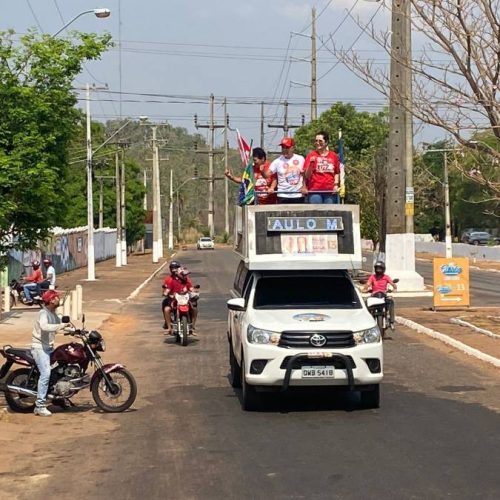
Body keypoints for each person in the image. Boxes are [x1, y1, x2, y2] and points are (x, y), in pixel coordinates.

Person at [31, 290, 70, 416]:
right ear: (51, 300)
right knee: (46, 373)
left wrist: (76, 331)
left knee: (60, 369)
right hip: (40, 348)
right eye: (57, 297)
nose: (59, 299)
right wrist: (60, 327)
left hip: (49, 347)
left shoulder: (53, 314)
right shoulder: (43, 313)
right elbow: (44, 327)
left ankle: (57, 399)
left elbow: (61, 325)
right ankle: (40, 405)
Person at [265, 137, 306, 204]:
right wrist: (262, 170)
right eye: (283, 147)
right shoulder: (277, 161)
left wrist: (304, 186)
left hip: (298, 195)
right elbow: (267, 175)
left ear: (293, 148)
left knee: (298, 214)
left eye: (287, 147)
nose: (284, 149)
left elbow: (305, 175)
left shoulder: (301, 159)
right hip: (282, 195)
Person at [304, 131, 341, 204]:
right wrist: (311, 164)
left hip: (330, 191)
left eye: (320, 141)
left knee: (328, 214)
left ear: (326, 142)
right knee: (317, 213)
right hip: (315, 191)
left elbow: (337, 172)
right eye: (316, 141)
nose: (317, 143)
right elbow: (307, 176)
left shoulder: (333, 155)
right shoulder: (311, 155)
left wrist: (336, 185)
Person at [162, 261, 195, 335]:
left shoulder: (186, 279)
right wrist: (166, 293)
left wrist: (194, 292)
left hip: (185, 299)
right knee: (166, 309)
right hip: (174, 299)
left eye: (176, 268)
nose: (174, 270)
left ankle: (192, 327)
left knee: (194, 308)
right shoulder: (170, 279)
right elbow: (167, 289)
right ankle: (169, 328)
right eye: (172, 268)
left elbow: (191, 288)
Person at [363, 261, 398, 328]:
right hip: (374, 296)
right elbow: (367, 284)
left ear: (383, 269)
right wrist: (364, 289)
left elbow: (393, 284)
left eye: (380, 268)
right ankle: (367, 320)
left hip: (383, 295)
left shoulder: (386, 277)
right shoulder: (372, 277)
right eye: (377, 268)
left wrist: (394, 289)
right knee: (366, 303)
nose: (378, 270)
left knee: (391, 301)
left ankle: (391, 322)